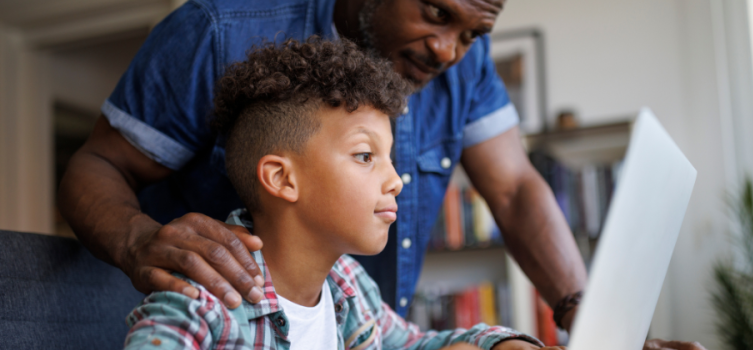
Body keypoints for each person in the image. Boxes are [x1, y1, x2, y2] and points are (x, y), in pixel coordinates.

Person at [57, 0, 703, 348]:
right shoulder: (216, 32)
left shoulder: (346, 292)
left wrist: (580, 316)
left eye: (474, 32)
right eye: (434, 12)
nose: (449, 51)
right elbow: (97, 163)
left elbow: (512, 187)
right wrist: (139, 238)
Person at [124, 36, 554, 350]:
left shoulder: (345, 281)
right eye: (366, 156)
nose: (396, 181)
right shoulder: (203, 296)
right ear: (282, 179)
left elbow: (415, 343)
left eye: (390, 158)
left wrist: (502, 345)